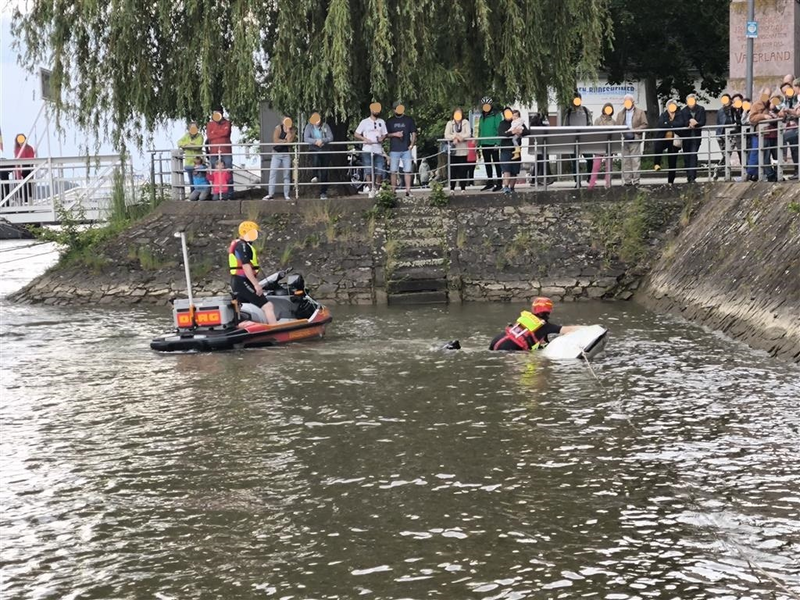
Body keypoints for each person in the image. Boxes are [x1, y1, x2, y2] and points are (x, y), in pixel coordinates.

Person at [489, 297, 585, 352]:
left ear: (533, 309)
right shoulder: (545, 326)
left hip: (496, 341)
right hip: (508, 348)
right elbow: (566, 330)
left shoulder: (527, 319)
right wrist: (586, 328)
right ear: (549, 310)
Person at [228, 221, 278, 324]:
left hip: (238, 281)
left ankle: (244, 328)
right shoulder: (242, 245)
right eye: (253, 232)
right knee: (268, 306)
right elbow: (246, 266)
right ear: (245, 232)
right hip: (242, 281)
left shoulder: (239, 244)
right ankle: (276, 330)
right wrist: (256, 284)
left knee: (243, 309)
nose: (255, 235)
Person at [614, 94, 648, 185]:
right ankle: (627, 181)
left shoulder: (640, 112)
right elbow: (617, 126)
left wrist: (636, 130)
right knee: (625, 161)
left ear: (632, 102)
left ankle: (636, 181)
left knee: (635, 160)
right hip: (624, 139)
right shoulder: (620, 114)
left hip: (635, 137)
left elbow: (645, 124)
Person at [354, 102, 388, 192]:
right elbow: (356, 133)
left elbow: (385, 134)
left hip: (378, 149)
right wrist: (364, 139)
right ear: (371, 110)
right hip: (367, 149)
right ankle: (370, 188)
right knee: (368, 170)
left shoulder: (381, 122)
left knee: (380, 170)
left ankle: (377, 189)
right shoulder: (364, 122)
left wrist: (382, 138)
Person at [386, 101, 417, 197]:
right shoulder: (390, 121)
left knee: (407, 170)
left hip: (406, 149)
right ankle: (393, 190)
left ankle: (408, 190)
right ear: (394, 110)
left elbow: (414, 132)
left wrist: (412, 144)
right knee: (393, 171)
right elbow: (385, 135)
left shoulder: (409, 120)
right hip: (394, 149)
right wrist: (395, 134)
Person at [747, 86, 777, 182]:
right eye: (765, 95)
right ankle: (770, 174)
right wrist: (763, 116)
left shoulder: (772, 104)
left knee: (776, 155)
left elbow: (779, 110)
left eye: (768, 95)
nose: (767, 97)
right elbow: (752, 119)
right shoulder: (756, 105)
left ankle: (775, 173)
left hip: (773, 132)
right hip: (763, 133)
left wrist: (774, 110)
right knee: (765, 155)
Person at [653, 100, 686, 185]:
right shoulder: (663, 115)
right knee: (657, 146)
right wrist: (673, 125)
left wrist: (669, 124)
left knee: (672, 160)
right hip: (664, 139)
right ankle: (656, 163)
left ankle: (670, 181)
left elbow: (681, 123)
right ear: (667, 107)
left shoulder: (679, 115)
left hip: (674, 140)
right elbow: (661, 124)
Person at [563, 92, 593, 185]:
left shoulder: (585, 110)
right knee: (574, 162)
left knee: (590, 159)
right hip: (572, 141)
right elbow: (565, 126)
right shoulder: (568, 112)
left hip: (585, 140)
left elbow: (590, 124)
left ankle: (589, 177)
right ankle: (577, 181)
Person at [303, 111, 334, 200]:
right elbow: (306, 138)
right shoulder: (309, 127)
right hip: (314, 148)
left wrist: (322, 141)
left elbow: (330, 137)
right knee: (315, 159)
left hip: (325, 150)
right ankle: (315, 175)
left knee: (324, 171)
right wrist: (315, 142)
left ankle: (323, 192)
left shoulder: (325, 126)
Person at [498, 108, 528, 195]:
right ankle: (506, 187)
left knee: (514, 170)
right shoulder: (502, 124)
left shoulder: (518, 121)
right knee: (506, 169)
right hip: (506, 149)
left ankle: (512, 188)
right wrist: (512, 132)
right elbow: (501, 134)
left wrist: (520, 131)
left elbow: (527, 131)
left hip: (516, 150)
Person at [206, 106, 233, 200]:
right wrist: (218, 133)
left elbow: (225, 133)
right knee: (214, 173)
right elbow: (209, 136)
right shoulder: (209, 124)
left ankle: (229, 194)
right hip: (213, 151)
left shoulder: (228, 123)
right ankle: (216, 193)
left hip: (226, 150)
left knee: (228, 172)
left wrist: (215, 132)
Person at [265, 115, 295, 200]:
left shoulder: (292, 131)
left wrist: (288, 133)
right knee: (273, 173)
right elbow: (275, 140)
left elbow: (290, 142)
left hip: (286, 154)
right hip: (276, 153)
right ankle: (270, 194)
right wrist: (285, 141)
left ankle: (286, 194)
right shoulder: (278, 128)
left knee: (286, 174)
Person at [478, 97, 504, 191]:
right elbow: (480, 130)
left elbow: (499, 128)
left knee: (496, 163)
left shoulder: (496, 115)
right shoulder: (482, 116)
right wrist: (478, 143)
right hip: (484, 143)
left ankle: (499, 182)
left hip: (493, 142)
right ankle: (490, 182)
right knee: (487, 163)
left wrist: (498, 142)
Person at [444, 108, 472, 192]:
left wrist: (461, 138)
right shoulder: (450, 123)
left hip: (463, 150)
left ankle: (463, 187)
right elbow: (446, 135)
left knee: (463, 170)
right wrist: (455, 137)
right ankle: (452, 187)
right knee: (453, 170)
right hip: (453, 150)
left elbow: (468, 134)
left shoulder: (465, 122)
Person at [680, 94, 706, 183]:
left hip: (696, 136)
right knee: (686, 156)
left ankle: (692, 176)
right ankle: (688, 175)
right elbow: (682, 122)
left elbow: (703, 121)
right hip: (686, 136)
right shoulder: (683, 111)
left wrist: (696, 123)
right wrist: (689, 122)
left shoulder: (701, 109)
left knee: (693, 154)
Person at [588, 103, 615, 190]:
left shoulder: (613, 122)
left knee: (609, 166)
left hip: (609, 146)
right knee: (596, 166)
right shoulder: (598, 120)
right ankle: (591, 184)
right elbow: (594, 133)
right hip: (599, 145)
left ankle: (608, 184)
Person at [177, 121, 204, 192]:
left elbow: (198, 146)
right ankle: (193, 195)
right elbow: (179, 143)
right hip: (189, 163)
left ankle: (201, 194)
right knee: (191, 181)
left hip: (198, 162)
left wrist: (186, 146)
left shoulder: (200, 136)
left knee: (199, 179)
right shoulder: (186, 136)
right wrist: (190, 144)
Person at [14, 134, 36, 204]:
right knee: (19, 187)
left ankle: (28, 201)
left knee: (28, 186)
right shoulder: (16, 149)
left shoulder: (29, 148)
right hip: (18, 170)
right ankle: (20, 201)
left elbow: (31, 159)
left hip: (27, 169)